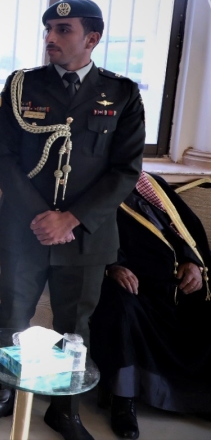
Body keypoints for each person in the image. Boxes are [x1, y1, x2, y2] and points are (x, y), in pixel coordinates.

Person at [0, 0, 146, 440]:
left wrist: (71, 219)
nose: (50, 37)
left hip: (86, 236)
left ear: (92, 38)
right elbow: (3, 158)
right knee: (12, 318)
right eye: (48, 28)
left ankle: (65, 411)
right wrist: (41, 216)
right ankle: (3, 395)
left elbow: (125, 170)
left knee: (75, 328)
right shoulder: (21, 86)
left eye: (63, 29)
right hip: (24, 230)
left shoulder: (122, 94)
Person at [90, 172, 210, 439]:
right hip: (132, 286)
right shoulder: (94, 186)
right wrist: (112, 266)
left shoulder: (154, 184)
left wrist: (193, 262)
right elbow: (87, 234)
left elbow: (189, 227)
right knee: (120, 308)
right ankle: (123, 402)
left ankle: (200, 396)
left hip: (176, 286)